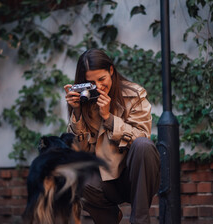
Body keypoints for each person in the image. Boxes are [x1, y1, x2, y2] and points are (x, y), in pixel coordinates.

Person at [64, 48, 160, 224]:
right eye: (91, 83)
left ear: (111, 71)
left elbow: (142, 136)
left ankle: (140, 221)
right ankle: (109, 218)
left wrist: (109, 118)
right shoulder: (82, 101)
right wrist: (76, 113)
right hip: (103, 181)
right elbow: (79, 153)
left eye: (102, 79)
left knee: (143, 146)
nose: (99, 87)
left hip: (135, 178)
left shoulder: (134, 94)